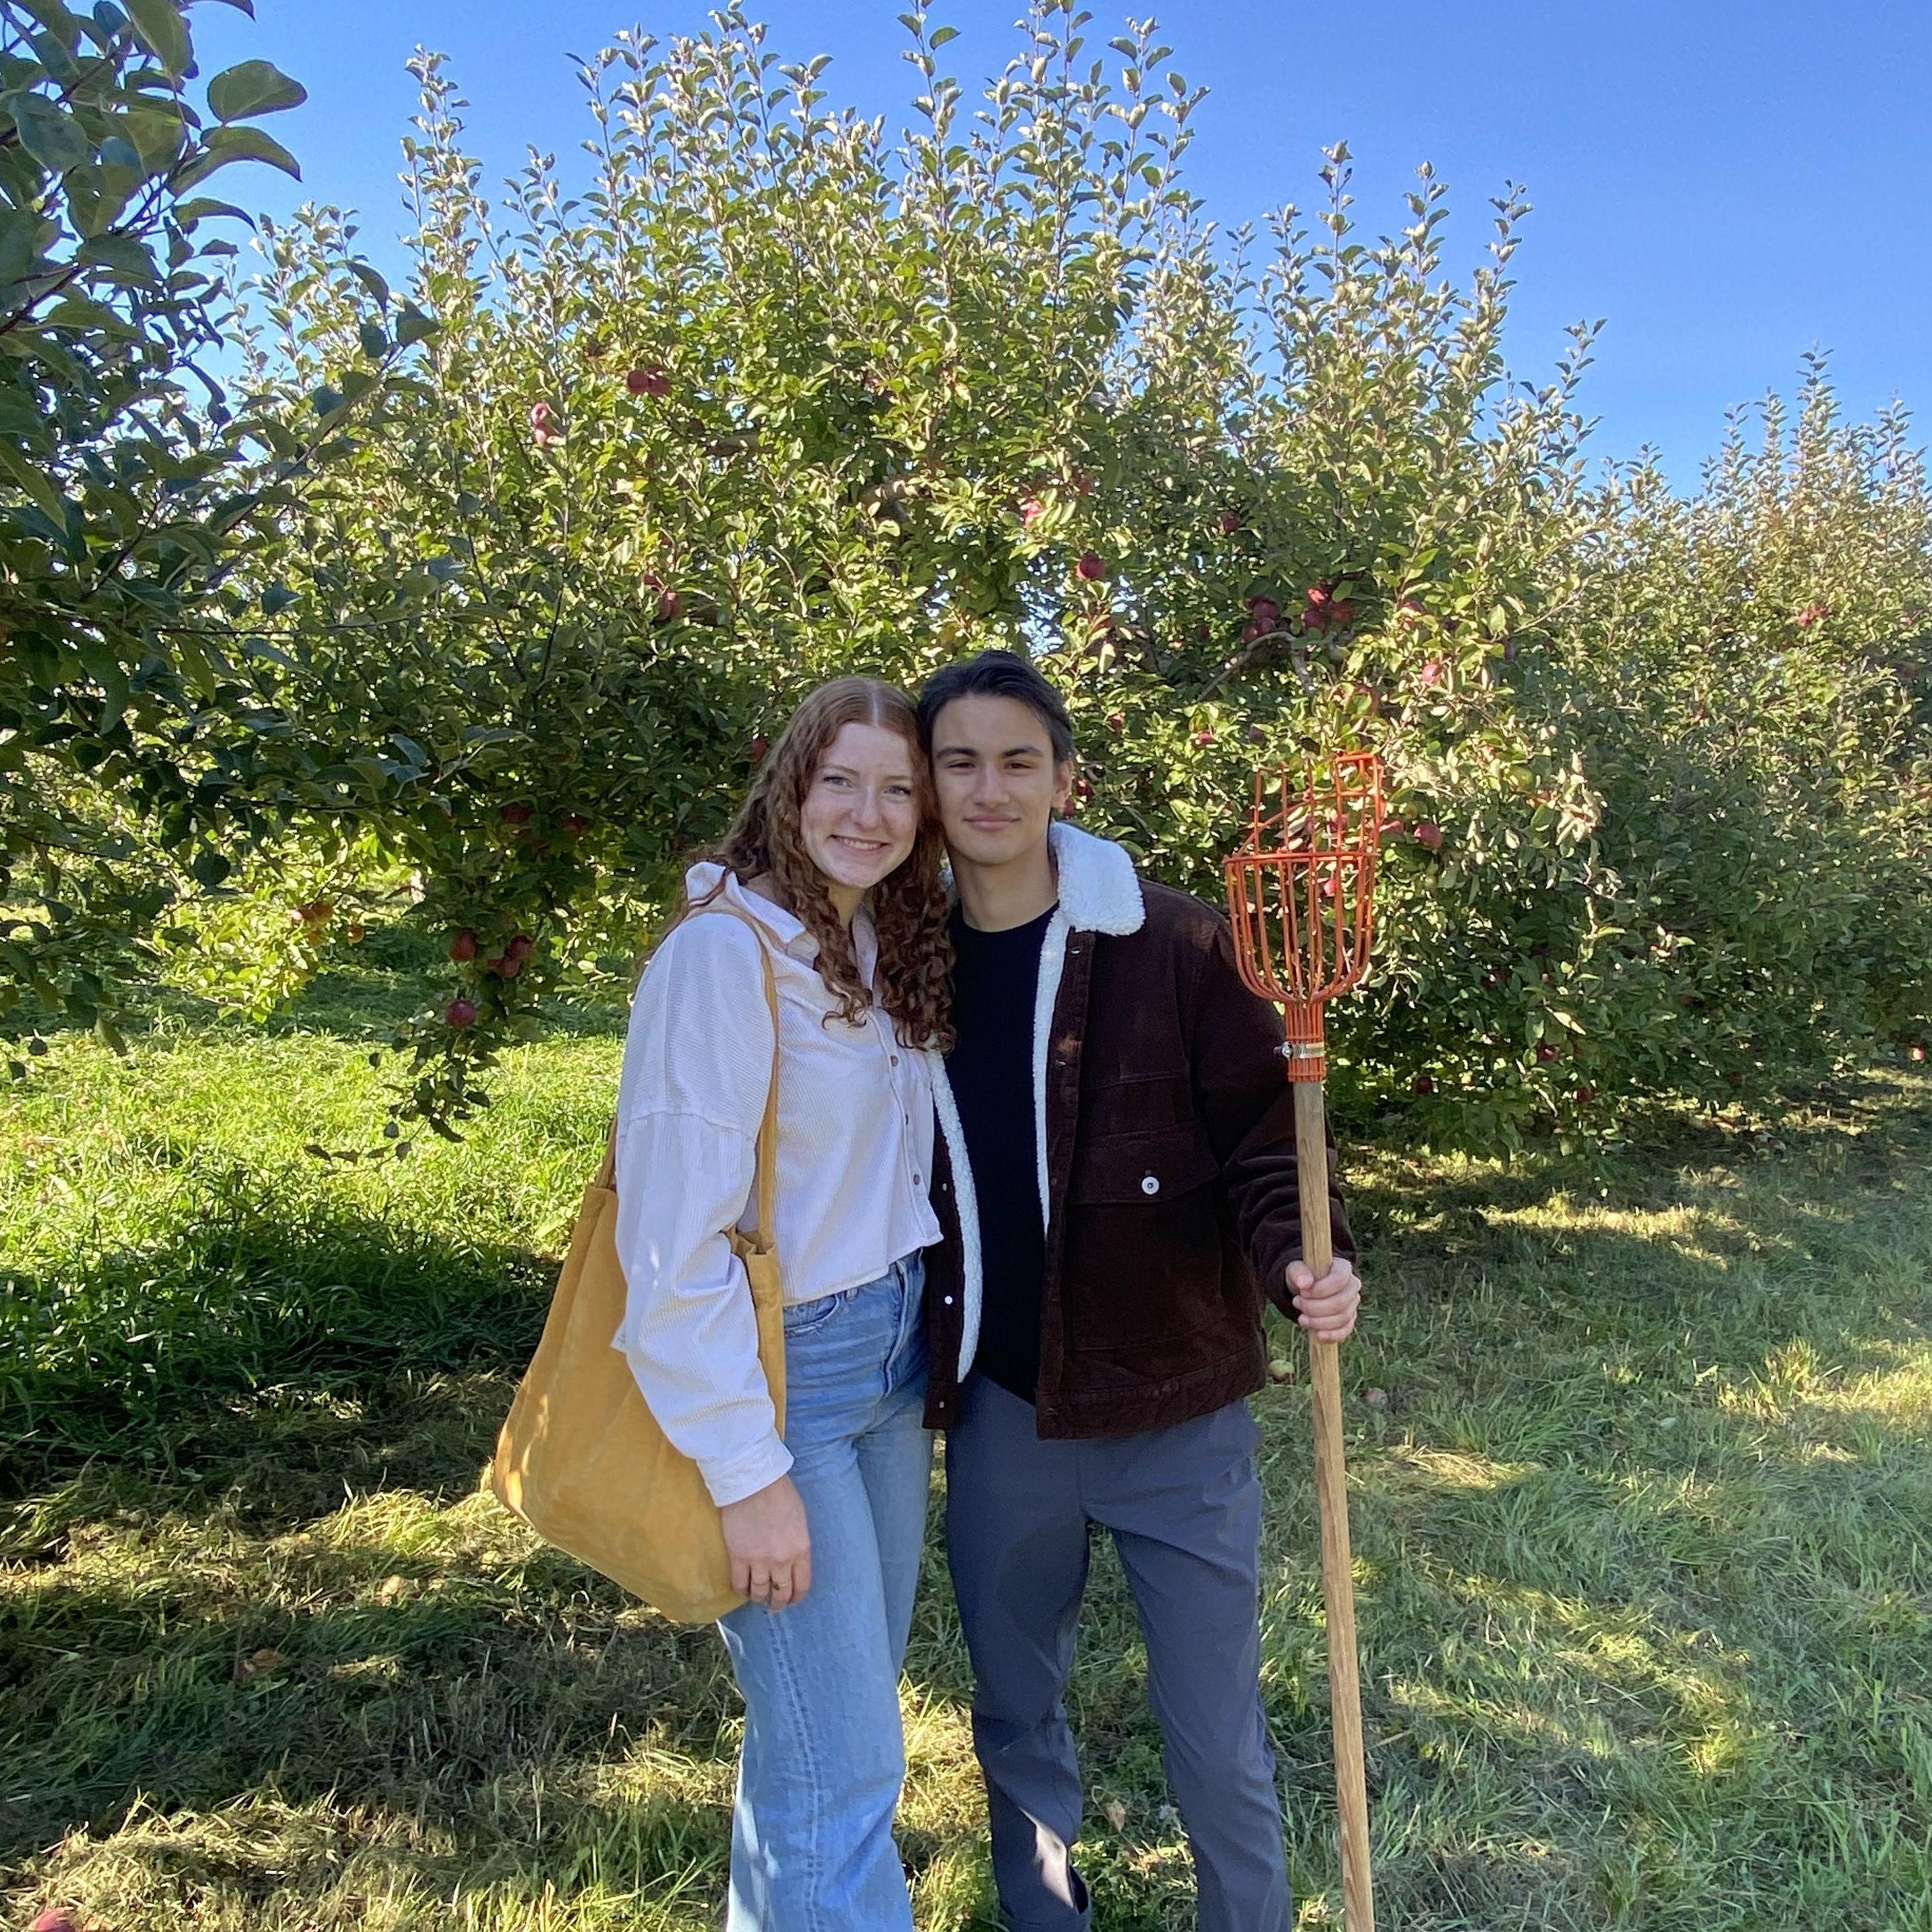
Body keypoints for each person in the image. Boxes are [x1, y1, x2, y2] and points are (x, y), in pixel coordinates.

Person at [915, 650, 1364, 1932]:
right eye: (959, 762)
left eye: (1018, 761)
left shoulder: (1172, 943)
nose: (990, 790)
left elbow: (1267, 1141)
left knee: (1217, 1735)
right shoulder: (902, 957)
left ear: (1066, 778)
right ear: (929, 784)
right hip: (1005, 1412)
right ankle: (1043, 1912)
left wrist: (1303, 1259)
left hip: (1179, 1412)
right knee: (1016, 1711)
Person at [609, 676, 980, 1932]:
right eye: (841, 781)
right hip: (791, 1380)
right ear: (790, 788)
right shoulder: (724, 956)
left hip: (887, 1355)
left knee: (824, 1735)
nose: (868, 814)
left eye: (897, 790)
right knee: (848, 1764)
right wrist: (746, 1470)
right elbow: (671, 1249)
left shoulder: (870, 940)